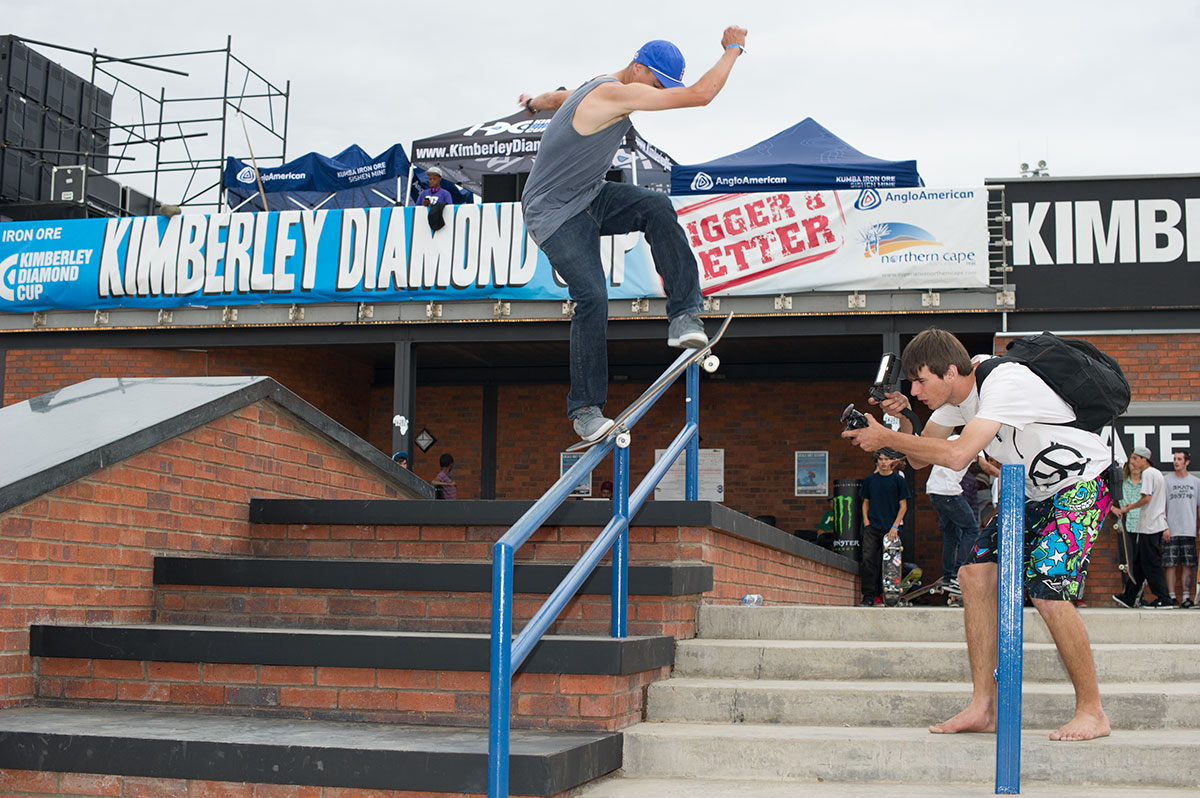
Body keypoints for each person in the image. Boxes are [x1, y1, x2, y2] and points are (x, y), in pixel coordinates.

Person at [843, 327, 1116, 741]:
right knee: (974, 575)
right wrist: (898, 422)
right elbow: (917, 458)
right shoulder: (956, 398)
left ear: (950, 372)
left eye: (920, 381)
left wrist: (886, 437)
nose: (914, 390)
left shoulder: (1004, 382)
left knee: (1046, 589)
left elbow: (955, 455)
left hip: (1080, 485)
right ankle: (983, 706)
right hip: (1028, 493)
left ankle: (1093, 711)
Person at [518, 28, 748, 441]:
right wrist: (734, 47)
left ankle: (682, 314)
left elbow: (558, 98)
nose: (656, 94)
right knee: (592, 296)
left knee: (657, 207)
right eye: (656, 84)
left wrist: (533, 102)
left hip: (590, 195)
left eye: (663, 88)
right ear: (638, 66)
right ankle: (585, 409)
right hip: (553, 214)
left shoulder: (594, 88)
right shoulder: (613, 94)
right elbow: (700, 95)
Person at [1112, 447, 1173, 609]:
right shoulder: (1157, 473)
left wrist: (1128, 507)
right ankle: (1130, 597)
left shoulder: (1147, 474)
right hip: (1150, 525)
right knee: (1139, 563)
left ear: (1144, 459)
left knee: (1151, 563)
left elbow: (1146, 498)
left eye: (1135, 458)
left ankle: (1163, 598)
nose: (1132, 462)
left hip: (1150, 526)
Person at [926, 437, 979, 595]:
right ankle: (956, 574)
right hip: (949, 492)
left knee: (951, 534)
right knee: (972, 530)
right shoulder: (977, 441)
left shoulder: (952, 438)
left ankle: (948, 577)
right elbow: (986, 467)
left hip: (934, 491)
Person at [859, 451, 910, 606]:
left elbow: (903, 506)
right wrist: (866, 522)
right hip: (872, 527)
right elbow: (865, 501)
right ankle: (868, 596)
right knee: (868, 560)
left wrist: (895, 526)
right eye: (880, 459)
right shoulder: (870, 480)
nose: (883, 462)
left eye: (886, 459)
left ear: (892, 461)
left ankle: (885, 596)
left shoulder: (898, 480)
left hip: (891, 529)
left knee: (889, 564)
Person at [1164, 450, 1200, 608]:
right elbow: (1162, 505)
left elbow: (1198, 507)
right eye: (1174, 459)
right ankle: (1172, 596)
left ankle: (1186, 597)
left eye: (1179, 459)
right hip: (1171, 529)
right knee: (1170, 564)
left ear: (1187, 462)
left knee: (1188, 564)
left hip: (1189, 529)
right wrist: (1165, 527)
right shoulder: (1166, 480)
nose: (1176, 462)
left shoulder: (1195, 482)